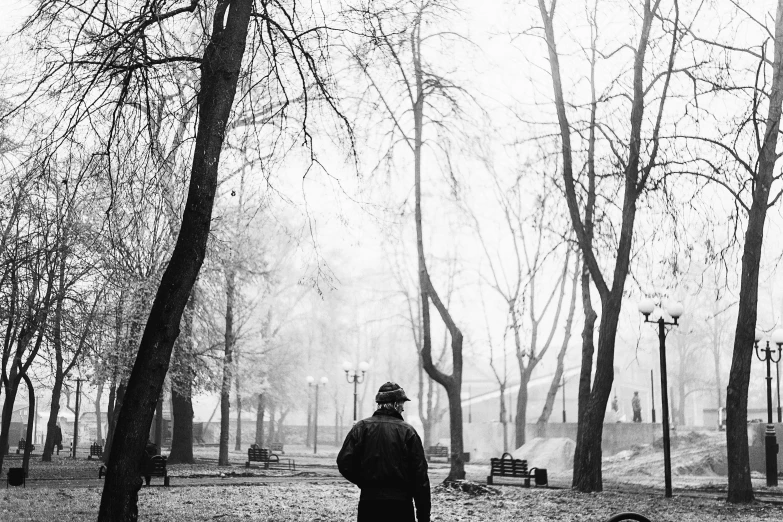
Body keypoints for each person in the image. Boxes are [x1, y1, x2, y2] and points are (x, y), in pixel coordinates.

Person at [337, 382, 430, 522]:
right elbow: (420, 476)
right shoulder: (408, 431)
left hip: (369, 504)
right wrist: (423, 516)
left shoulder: (362, 428)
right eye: (402, 403)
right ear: (395, 404)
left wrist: (364, 481)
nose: (403, 409)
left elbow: (344, 462)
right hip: (401, 505)